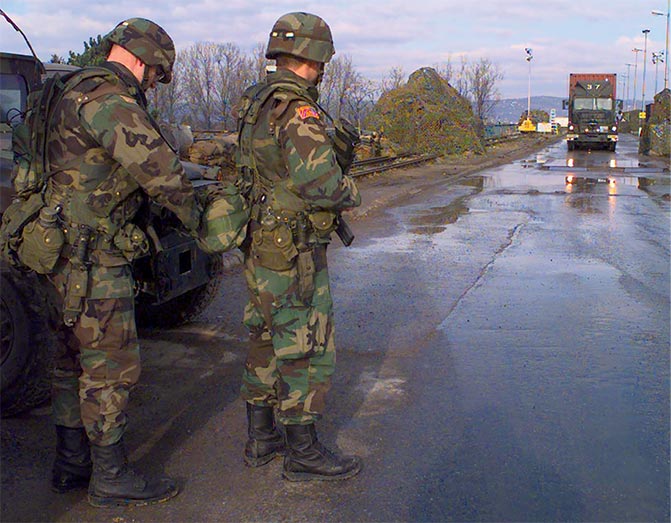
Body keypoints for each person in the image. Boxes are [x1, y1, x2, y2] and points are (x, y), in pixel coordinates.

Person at [45, 18, 201, 507]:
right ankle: (110, 476)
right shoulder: (112, 101)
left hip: (57, 252)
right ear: (142, 58)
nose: (154, 82)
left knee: (71, 360)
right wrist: (205, 222)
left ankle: (72, 464)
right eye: (156, 72)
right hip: (96, 258)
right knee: (109, 367)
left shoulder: (65, 91)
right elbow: (162, 173)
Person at [235, 11, 362, 482]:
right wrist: (351, 189)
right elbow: (322, 184)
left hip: (260, 241)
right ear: (316, 56)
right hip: (293, 248)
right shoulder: (298, 109)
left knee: (264, 338)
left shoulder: (257, 103)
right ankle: (303, 450)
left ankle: (260, 437)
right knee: (307, 344)